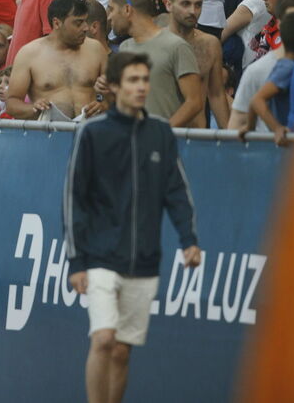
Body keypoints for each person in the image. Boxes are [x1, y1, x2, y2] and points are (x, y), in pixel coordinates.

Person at [64, 50, 201, 403]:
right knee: (103, 339)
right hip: (99, 257)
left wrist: (189, 240)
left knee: (122, 350)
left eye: (144, 80)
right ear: (113, 86)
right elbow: (74, 198)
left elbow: (176, 190)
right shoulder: (91, 133)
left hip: (144, 260)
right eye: (133, 80)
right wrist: (77, 261)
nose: (141, 87)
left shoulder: (160, 133)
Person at [108, 0, 205, 126]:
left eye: (111, 9)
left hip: (167, 139)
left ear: (127, 10)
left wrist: (160, 132)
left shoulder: (176, 46)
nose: (109, 17)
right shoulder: (124, 48)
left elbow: (194, 102)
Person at [6, 0, 107, 121]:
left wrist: (103, 105)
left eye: (85, 21)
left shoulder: (96, 49)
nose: (86, 28)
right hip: (49, 130)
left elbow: (116, 93)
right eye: (78, 23)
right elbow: (11, 103)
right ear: (57, 23)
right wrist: (34, 109)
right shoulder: (29, 54)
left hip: (88, 128)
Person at [230, 0, 294, 132]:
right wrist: (277, 130)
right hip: (283, 142)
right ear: (279, 23)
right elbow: (252, 105)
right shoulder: (280, 67)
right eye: (292, 20)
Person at [239, 12, 294, 145]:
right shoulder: (288, 67)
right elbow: (257, 100)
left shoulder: (285, 64)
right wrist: (277, 128)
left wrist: (249, 127)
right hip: (291, 140)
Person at [165, 0, 232, 128]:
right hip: (164, 134)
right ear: (168, 5)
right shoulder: (156, 43)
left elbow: (216, 94)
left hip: (198, 135)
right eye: (185, 4)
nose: (192, 11)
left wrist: (228, 136)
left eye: (198, 5)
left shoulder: (210, 44)